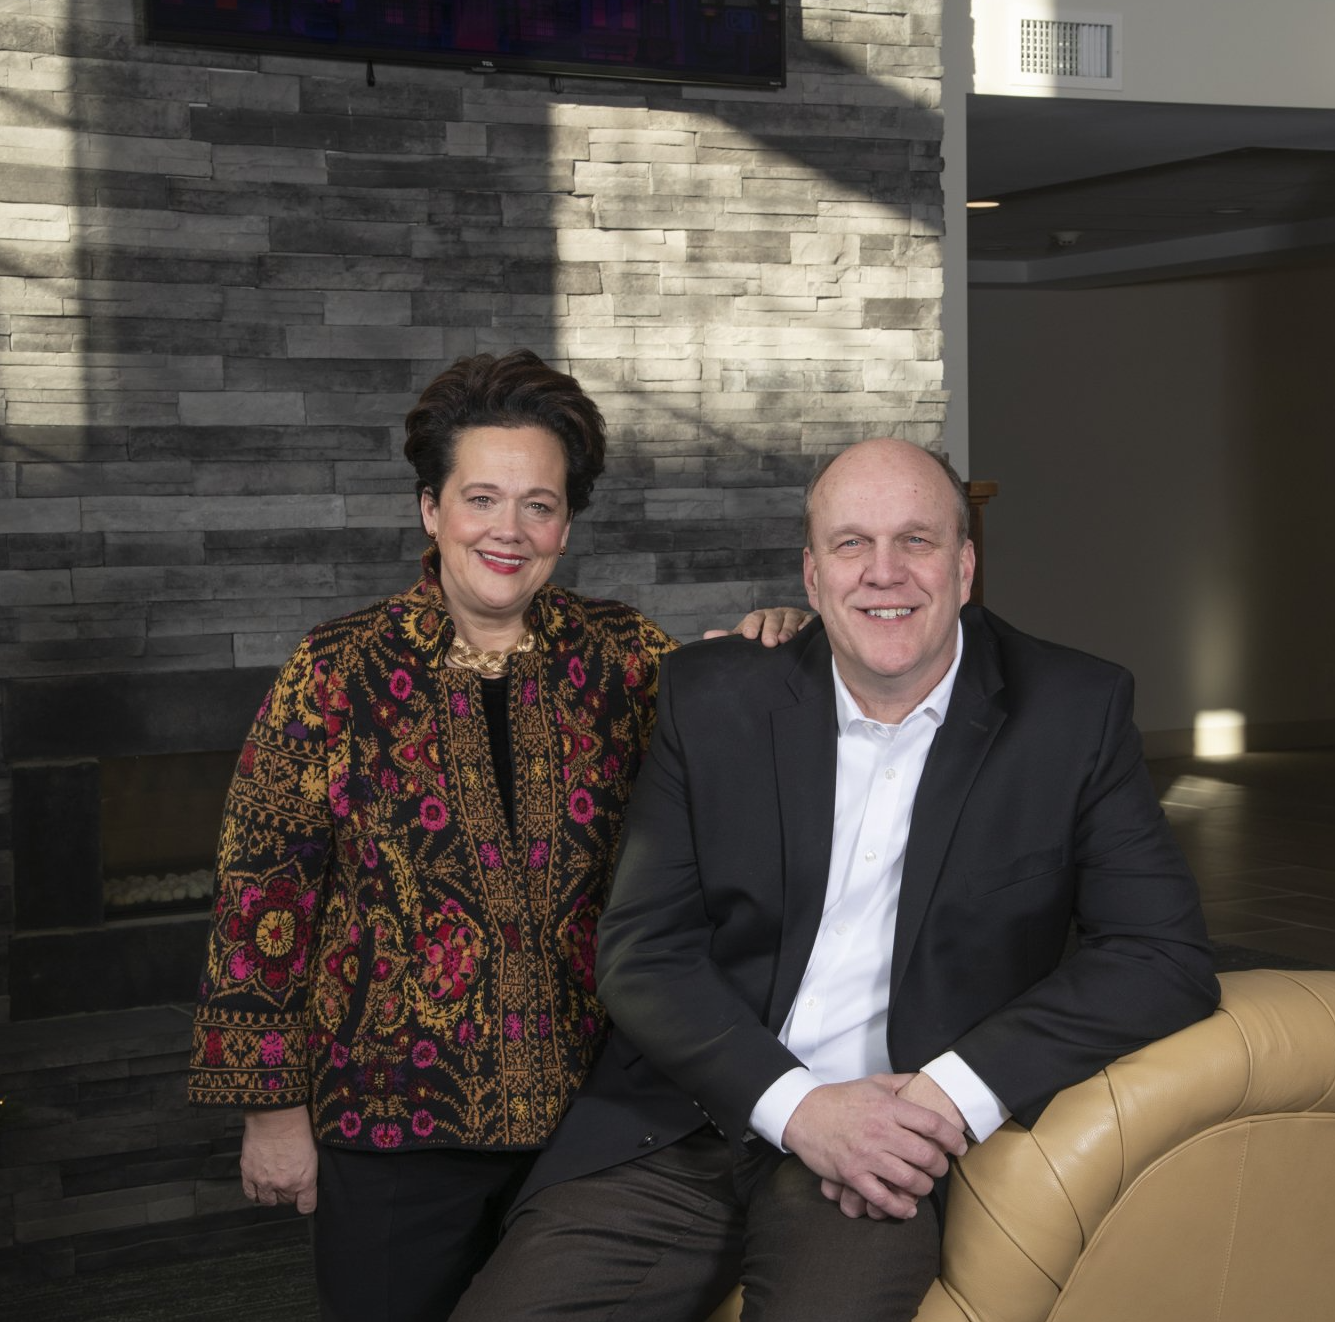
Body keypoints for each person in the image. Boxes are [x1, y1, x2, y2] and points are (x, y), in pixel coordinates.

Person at [450, 437, 1221, 1322]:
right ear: (810, 577)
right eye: (851, 544)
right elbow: (642, 950)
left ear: (965, 567)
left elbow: (1159, 954)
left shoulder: (1072, 710)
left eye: (917, 542)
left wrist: (946, 1098)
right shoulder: (711, 697)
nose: (883, 574)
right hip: (689, 1118)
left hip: (890, 1147)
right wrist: (799, 1108)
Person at [186, 349, 806, 1322]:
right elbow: (263, 892)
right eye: (481, 497)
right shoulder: (335, 668)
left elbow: (748, 771)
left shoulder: (630, 656)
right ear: (432, 509)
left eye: (540, 504)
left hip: (592, 1128)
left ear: (567, 522)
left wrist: (787, 645)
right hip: (391, 1125)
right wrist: (272, 1108)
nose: (508, 529)